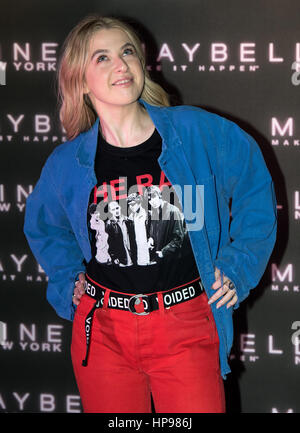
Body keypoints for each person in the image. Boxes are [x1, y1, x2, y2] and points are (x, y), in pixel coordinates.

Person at [23, 14, 277, 413]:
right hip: (104, 334)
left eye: (127, 52)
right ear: (80, 80)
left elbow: (253, 188)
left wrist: (238, 264)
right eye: (101, 58)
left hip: (186, 326)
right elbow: (44, 227)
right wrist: (68, 281)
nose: (120, 64)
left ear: (142, 64)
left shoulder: (195, 133)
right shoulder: (67, 164)